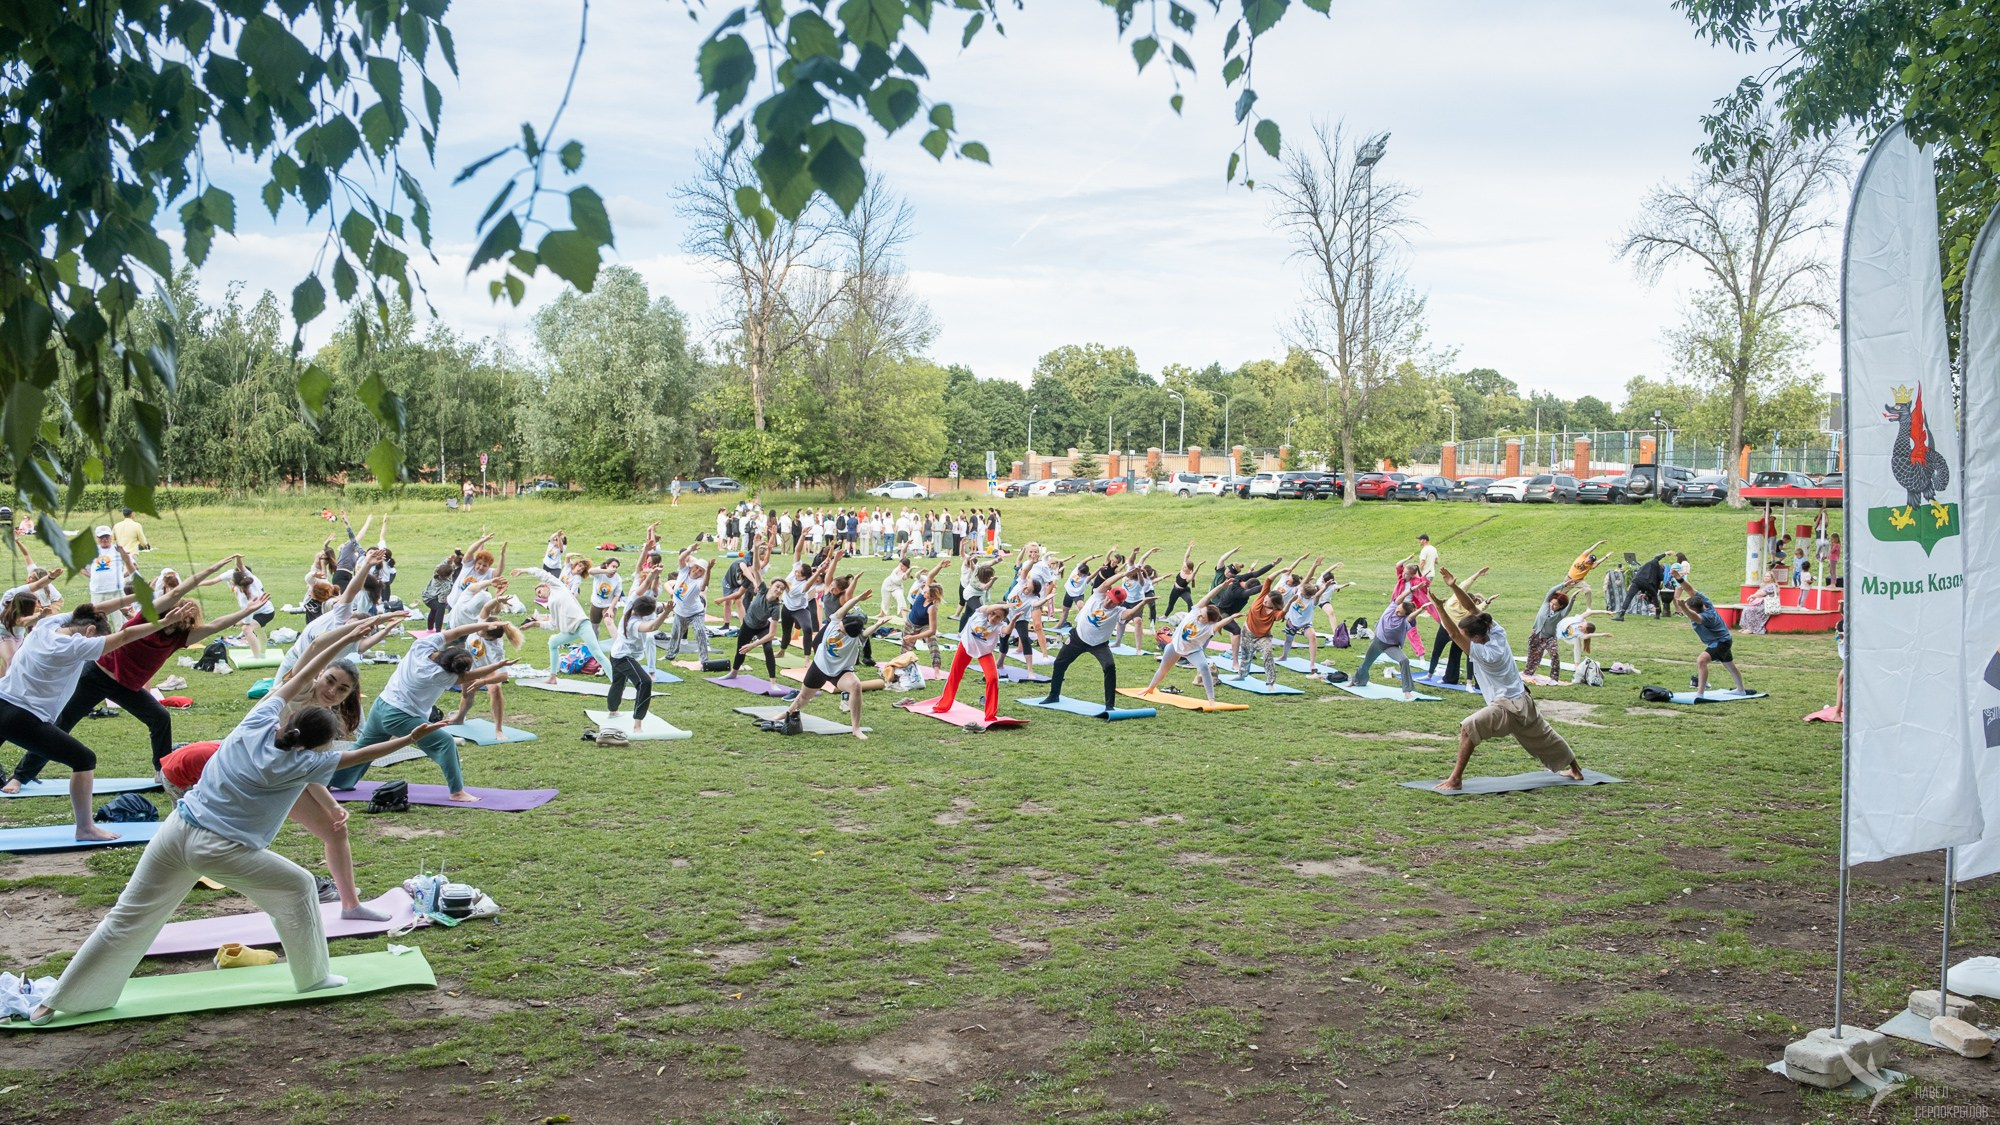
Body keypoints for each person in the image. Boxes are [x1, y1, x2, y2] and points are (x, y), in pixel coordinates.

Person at [27, 622, 446, 1024]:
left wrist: (341, 640)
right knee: (300, 888)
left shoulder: (259, 720)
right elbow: (359, 756)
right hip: (221, 848)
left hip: (175, 831)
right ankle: (313, 977)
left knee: (127, 917)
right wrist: (411, 738)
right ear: (318, 747)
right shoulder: (306, 763)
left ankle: (58, 1002)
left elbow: (301, 669)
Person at [3, 556, 264, 792]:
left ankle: (162, 771)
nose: (183, 617)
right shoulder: (145, 619)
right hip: (97, 676)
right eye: (180, 612)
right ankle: (20, 777)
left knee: (160, 718)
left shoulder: (181, 638)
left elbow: (218, 624)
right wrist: (214, 566)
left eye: (188, 617)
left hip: (127, 686)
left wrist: (247, 610)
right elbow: (180, 591)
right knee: (62, 724)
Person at [0, 596, 178, 839]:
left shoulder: (46, 625)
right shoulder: (75, 646)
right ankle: (85, 828)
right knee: (84, 759)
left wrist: (137, 596)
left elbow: (96, 609)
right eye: (96, 639)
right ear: (90, 631)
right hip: (21, 717)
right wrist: (164, 622)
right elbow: (125, 637)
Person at [1424, 569, 1585, 792]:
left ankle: (1455, 780)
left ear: (1477, 638)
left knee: (1469, 727)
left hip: (1507, 706)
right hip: (1522, 699)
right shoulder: (1495, 631)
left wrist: (1440, 607)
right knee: (1545, 735)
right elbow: (1472, 610)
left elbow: (1453, 635)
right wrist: (1453, 586)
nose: (1464, 638)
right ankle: (1576, 770)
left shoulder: (1487, 654)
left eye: (1467, 636)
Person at [328, 619, 514, 801]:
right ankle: (457, 792)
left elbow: (457, 632)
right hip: (400, 716)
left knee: (362, 750)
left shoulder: (422, 646)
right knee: (445, 743)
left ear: (447, 649)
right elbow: (468, 677)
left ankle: (327, 780)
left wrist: (484, 625)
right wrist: (498, 666)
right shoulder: (439, 675)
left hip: (380, 706)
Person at [774, 584, 875, 739]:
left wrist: (879, 624)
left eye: (843, 630)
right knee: (804, 697)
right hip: (820, 666)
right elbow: (844, 609)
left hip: (840, 671)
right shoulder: (835, 621)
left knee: (856, 686)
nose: (839, 628)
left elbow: (866, 633)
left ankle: (856, 728)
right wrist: (858, 598)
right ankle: (787, 712)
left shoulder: (855, 640)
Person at [1044, 566, 1145, 714]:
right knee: (1059, 663)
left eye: (1113, 602)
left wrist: (1143, 602)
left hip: (1099, 645)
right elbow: (1105, 584)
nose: (1108, 602)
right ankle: (1053, 695)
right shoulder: (1098, 595)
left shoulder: (1118, 612)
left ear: (1119, 604)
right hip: (1078, 638)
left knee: (1109, 667)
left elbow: (1128, 614)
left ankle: (1109, 705)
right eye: (1109, 599)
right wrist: (1124, 573)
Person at [1139, 586, 1239, 702]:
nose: (1199, 615)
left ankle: (1211, 699)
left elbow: (1220, 624)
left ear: (1209, 620)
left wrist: (1231, 617)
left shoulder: (1209, 628)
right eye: (1201, 612)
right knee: (1163, 669)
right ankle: (1151, 688)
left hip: (1193, 651)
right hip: (1175, 647)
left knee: (1204, 667)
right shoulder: (1195, 612)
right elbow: (1208, 597)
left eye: (1202, 616)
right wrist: (1223, 584)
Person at [602, 578, 665, 733]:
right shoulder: (634, 623)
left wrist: (653, 574)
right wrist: (667, 612)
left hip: (616, 653)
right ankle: (637, 724)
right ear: (646, 613)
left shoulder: (630, 605)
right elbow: (652, 626)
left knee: (618, 683)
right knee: (645, 683)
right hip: (624, 657)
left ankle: (613, 711)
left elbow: (639, 590)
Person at [933, 601, 1012, 723]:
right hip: (966, 646)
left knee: (992, 679)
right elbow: (987, 609)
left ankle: (990, 714)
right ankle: (943, 705)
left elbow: (1006, 631)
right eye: (993, 613)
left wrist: (1014, 619)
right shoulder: (980, 613)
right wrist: (1001, 606)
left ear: (1002, 619)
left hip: (984, 652)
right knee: (955, 675)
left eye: (998, 617)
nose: (993, 617)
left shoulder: (999, 626)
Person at [1676, 586, 1747, 699]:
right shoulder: (1706, 602)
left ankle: (1700, 694)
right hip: (1724, 639)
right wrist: (1679, 578)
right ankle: (1741, 690)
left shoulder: (1706, 616)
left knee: (1701, 661)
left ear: (1694, 609)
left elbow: (1693, 616)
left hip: (1720, 642)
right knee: (1730, 666)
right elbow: (1691, 590)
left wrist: (1683, 607)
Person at [1351, 593, 1420, 701]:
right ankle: (1356, 680)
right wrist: (1411, 590)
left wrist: (1421, 609)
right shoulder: (1391, 608)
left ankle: (1407, 691)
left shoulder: (1405, 621)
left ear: (1405, 615)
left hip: (1391, 647)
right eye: (1398, 608)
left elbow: (1411, 617)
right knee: (1366, 663)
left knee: (1404, 660)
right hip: (1377, 642)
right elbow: (1399, 598)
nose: (1396, 611)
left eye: (1400, 612)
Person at [86, 526, 136, 627]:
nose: (104, 539)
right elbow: (81, 567)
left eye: (107, 536)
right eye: (101, 537)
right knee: (98, 620)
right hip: (97, 591)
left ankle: (122, 641)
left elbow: (133, 565)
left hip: (116, 591)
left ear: (111, 537)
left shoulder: (118, 550)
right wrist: (91, 576)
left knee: (120, 621)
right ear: (97, 538)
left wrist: (121, 576)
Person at [1523, 583, 1571, 680]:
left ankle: (1554, 678)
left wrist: (1573, 598)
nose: (1552, 605)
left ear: (1560, 606)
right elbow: (1552, 590)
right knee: (1533, 655)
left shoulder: (1560, 614)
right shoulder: (1545, 604)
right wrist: (1564, 584)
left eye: (1555, 605)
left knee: (1554, 655)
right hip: (1536, 634)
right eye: (1551, 603)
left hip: (1550, 637)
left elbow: (1568, 609)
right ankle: (1528, 672)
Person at [1612, 553, 1667, 621]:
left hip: (1637, 580)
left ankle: (1621, 615)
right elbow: (1655, 589)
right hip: (1647, 583)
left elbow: (1656, 558)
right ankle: (1658, 614)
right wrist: (1665, 554)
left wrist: (1665, 554)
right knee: (1654, 595)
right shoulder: (1658, 570)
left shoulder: (1650, 564)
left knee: (1629, 597)